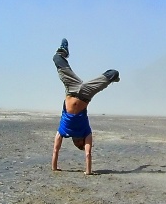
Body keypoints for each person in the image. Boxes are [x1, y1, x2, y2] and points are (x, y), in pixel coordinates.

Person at [51, 38, 119, 175]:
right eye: (79, 144)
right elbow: (88, 154)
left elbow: (55, 150)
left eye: (77, 145)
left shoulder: (63, 131)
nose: (76, 144)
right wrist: (88, 171)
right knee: (113, 73)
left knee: (56, 58)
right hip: (86, 94)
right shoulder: (86, 132)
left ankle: (64, 50)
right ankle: (115, 78)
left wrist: (54, 167)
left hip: (71, 88)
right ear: (82, 141)